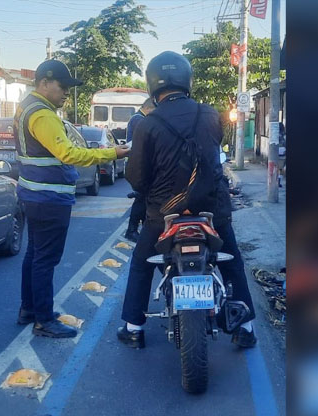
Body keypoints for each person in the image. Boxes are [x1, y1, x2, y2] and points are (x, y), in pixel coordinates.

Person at [118, 51, 257, 349]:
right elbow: (214, 154)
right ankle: (245, 327)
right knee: (232, 262)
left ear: (153, 84)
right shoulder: (210, 114)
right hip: (211, 211)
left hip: (164, 214)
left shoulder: (147, 123)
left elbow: (137, 177)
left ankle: (133, 327)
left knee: (142, 264)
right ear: (187, 80)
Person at [14, 59, 130, 338]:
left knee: (34, 255)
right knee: (45, 259)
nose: (66, 92)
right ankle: (43, 320)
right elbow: (70, 154)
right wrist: (113, 153)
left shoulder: (27, 107)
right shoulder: (42, 114)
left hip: (34, 195)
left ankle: (30, 309)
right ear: (43, 83)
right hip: (48, 198)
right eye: (62, 86)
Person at [123, 98, 156, 242]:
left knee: (144, 197)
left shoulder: (138, 118)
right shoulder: (139, 120)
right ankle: (132, 230)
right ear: (149, 108)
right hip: (138, 165)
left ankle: (140, 229)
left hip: (138, 164)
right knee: (141, 198)